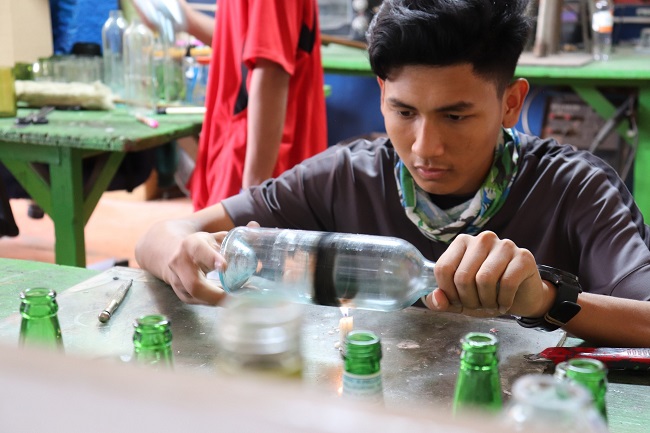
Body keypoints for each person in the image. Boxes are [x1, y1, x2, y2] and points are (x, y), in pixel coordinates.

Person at [136, 0, 650, 347]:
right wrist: (179, 249)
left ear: (511, 102)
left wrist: (544, 300)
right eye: (404, 112)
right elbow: (161, 237)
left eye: (455, 116)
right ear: (381, 94)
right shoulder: (344, 176)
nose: (425, 147)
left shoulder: (577, 189)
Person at [165, 0, 328, 209]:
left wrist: (254, 198)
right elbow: (242, 41)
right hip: (240, 158)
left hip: (260, 169)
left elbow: (271, 71)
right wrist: (186, 18)